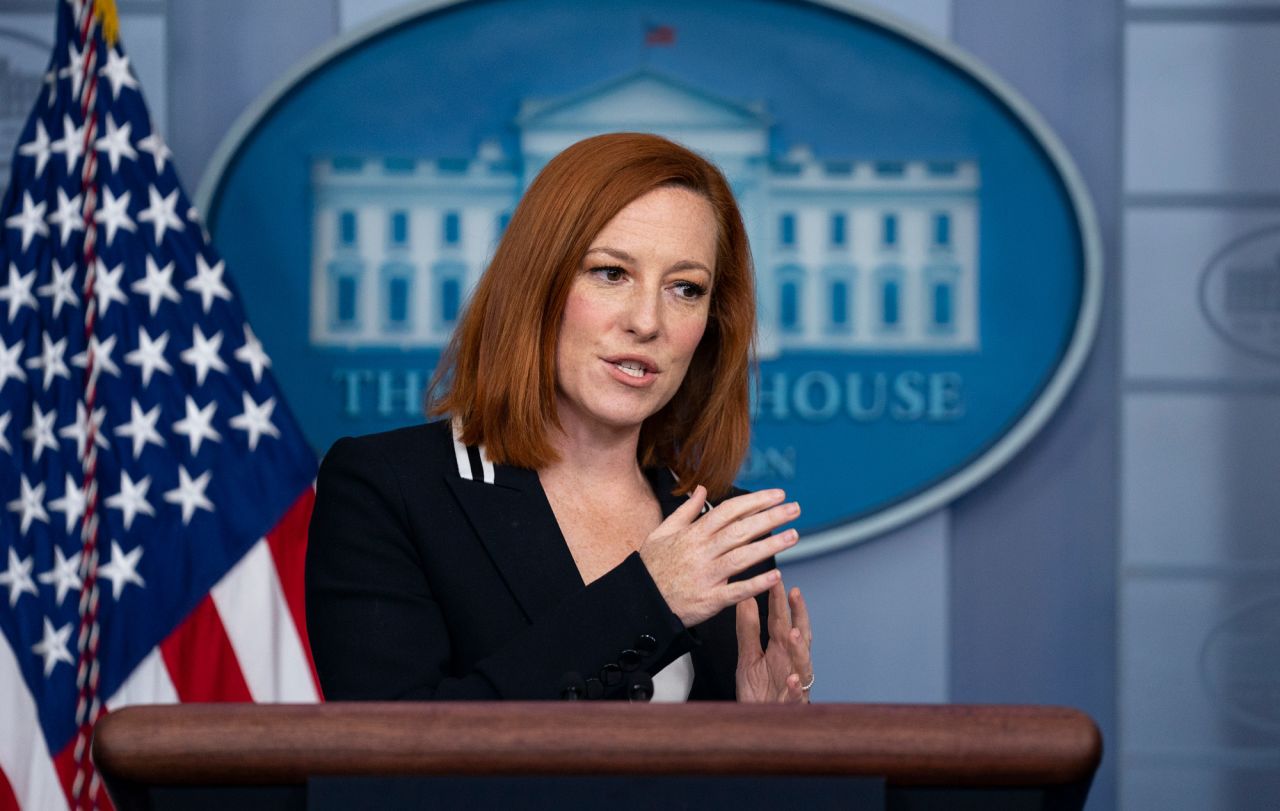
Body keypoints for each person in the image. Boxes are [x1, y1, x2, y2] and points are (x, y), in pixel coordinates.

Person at [306, 132, 814, 702]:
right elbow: (390, 761)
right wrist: (648, 600)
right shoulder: (386, 488)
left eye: (685, 288)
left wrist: (763, 737)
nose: (647, 321)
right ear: (537, 286)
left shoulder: (718, 530)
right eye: (611, 273)